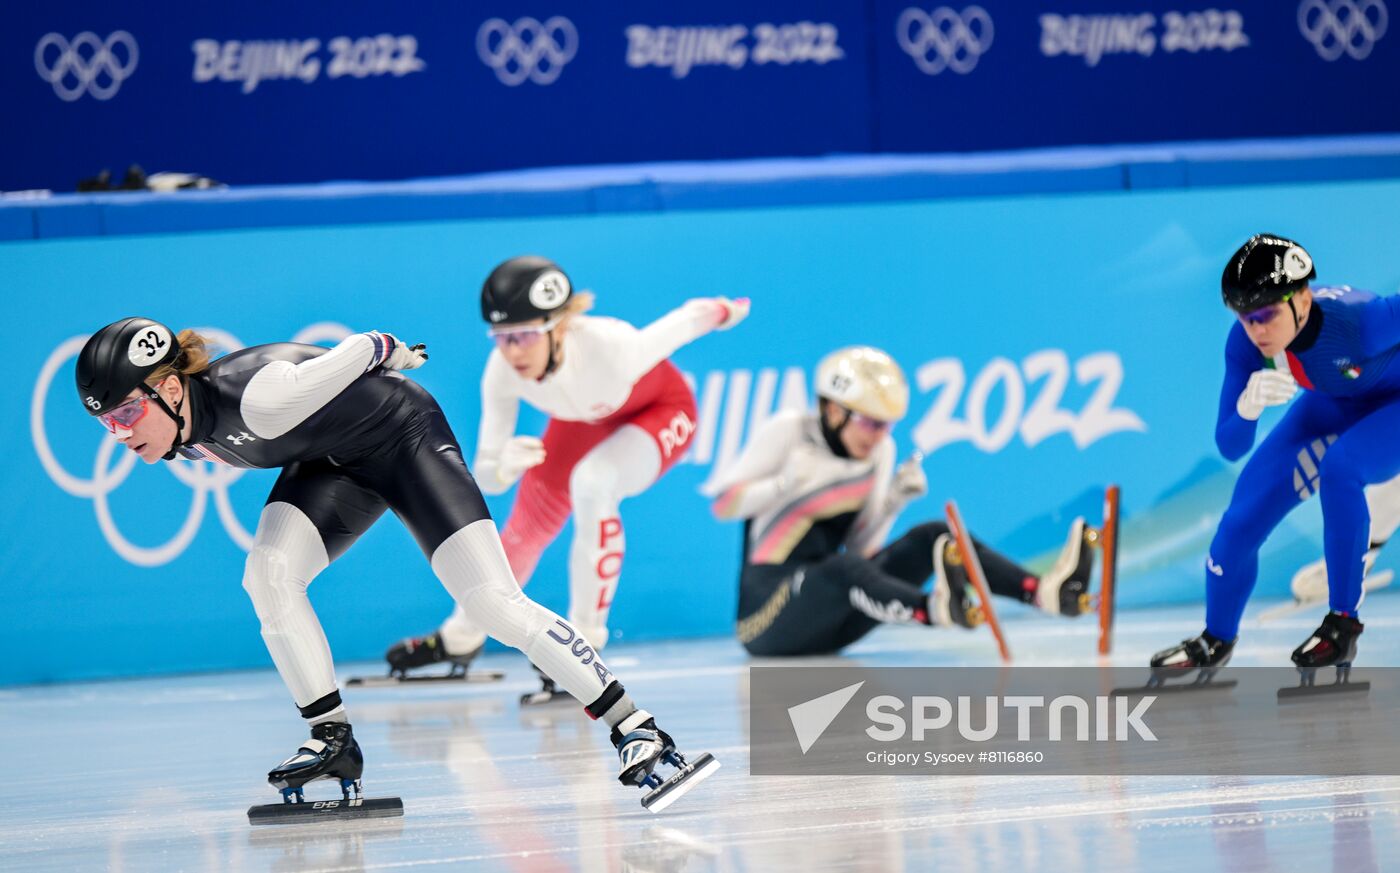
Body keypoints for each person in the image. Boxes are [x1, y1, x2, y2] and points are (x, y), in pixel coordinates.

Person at [73, 316, 715, 807]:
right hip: (332, 460)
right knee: (267, 576)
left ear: (167, 388)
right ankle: (332, 742)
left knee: (492, 602)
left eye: (127, 413)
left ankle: (639, 728)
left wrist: (395, 351)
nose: (122, 434)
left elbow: (361, 349)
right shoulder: (180, 434)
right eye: (108, 424)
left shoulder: (258, 398)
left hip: (403, 437)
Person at [384, 256, 749, 702]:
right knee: (523, 531)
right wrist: (503, 467)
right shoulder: (501, 371)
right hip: (583, 420)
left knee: (595, 483)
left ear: (559, 327)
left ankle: (586, 644)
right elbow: (486, 477)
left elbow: (686, 321)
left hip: (662, 410)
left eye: (524, 336)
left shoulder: (611, 346)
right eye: (501, 338)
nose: (513, 351)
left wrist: (726, 309)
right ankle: (462, 636)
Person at [708, 346, 1095, 656]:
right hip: (764, 621)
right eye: (870, 422)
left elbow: (861, 547)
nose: (878, 435)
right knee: (842, 567)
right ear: (833, 409)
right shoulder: (790, 431)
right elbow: (723, 504)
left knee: (933, 535)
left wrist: (893, 502)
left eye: (887, 424)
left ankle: (1044, 592)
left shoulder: (880, 451)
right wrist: (783, 485)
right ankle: (933, 609)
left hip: (833, 621)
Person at [1151, 233, 1400, 684]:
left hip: (1393, 406)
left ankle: (1343, 624)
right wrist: (1247, 407)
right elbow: (1230, 444)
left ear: (1302, 299)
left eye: (1266, 316)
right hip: (1331, 404)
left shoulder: (1363, 323)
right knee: (1241, 519)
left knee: (1342, 467)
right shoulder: (1246, 345)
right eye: (1246, 319)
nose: (1257, 331)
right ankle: (1216, 639)